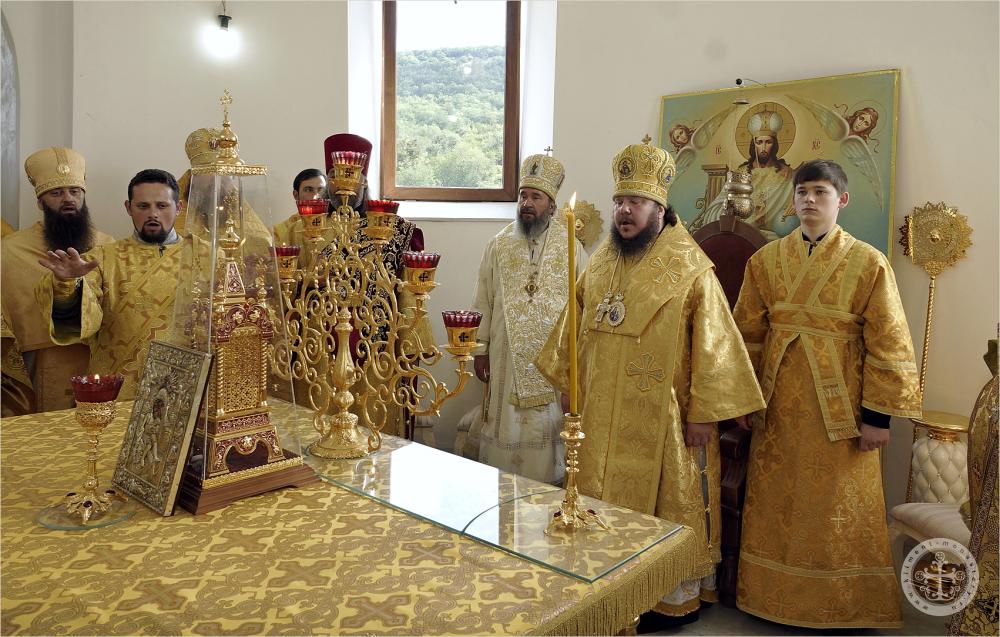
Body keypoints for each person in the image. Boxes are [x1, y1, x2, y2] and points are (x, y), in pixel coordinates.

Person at [536, 137, 764, 627]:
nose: (624, 211)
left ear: (659, 209)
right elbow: (574, 324)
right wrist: (570, 380)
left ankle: (664, 597)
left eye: (636, 202)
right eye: (620, 201)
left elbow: (715, 345)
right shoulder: (602, 260)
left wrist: (704, 414)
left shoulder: (691, 269)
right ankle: (601, 581)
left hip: (668, 415)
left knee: (665, 501)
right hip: (600, 410)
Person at [732, 159, 921, 629]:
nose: (810, 200)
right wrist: (742, 401)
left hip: (841, 412)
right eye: (802, 192)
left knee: (837, 506)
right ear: (793, 200)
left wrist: (878, 417)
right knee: (778, 505)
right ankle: (773, 598)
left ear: (842, 199)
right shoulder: (765, 261)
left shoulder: (868, 262)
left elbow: (888, 341)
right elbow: (746, 335)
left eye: (820, 192)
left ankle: (844, 605)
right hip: (777, 407)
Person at [469, 151, 584, 484]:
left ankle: (546, 493)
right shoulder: (498, 245)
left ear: (552, 204)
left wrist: (577, 363)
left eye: (536, 197)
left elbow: (583, 306)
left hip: (551, 362)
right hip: (504, 358)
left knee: (545, 443)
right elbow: (483, 299)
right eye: (523, 196)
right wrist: (480, 350)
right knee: (504, 431)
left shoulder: (572, 246)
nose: (527, 203)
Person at [36, 169, 185, 401]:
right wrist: (68, 283)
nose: (153, 214)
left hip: (186, 386)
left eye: (162, 206)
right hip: (118, 390)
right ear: (128, 208)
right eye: (143, 206)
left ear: (178, 207)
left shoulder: (205, 257)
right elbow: (75, 329)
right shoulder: (101, 259)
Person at [2, 147, 113, 411]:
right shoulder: (10, 249)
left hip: (94, 363)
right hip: (34, 365)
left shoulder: (107, 246)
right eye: (56, 193)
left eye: (75, 191)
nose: (68, 199)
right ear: (40, 202)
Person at [696, 108, 797, 240]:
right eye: (759, 142)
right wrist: (732, 208)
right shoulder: (740, 174)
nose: (763, 148)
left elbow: (796, 206)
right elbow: (714, 210)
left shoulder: (788, 175)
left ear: (775, 144)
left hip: (771, 238)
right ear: (753, 144)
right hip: (740, 235)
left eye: (768, 142)